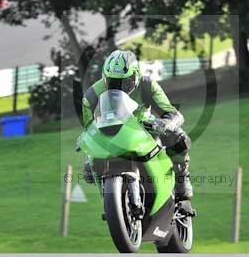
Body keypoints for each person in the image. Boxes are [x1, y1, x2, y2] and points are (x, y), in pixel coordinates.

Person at [82, 49, 193, 203]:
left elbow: (172, 113)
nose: (119, 87)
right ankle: (112, 200)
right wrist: (89, 155)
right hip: (112, 132)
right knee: (89, 169)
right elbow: (88, 128)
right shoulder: (92, 95)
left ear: (136, 76)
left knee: (180, 139)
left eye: (124, 82)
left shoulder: (148, 85)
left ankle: (181, 175)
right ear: (105, 78)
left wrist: (167, 124)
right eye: (113, 82)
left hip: (145, 128)